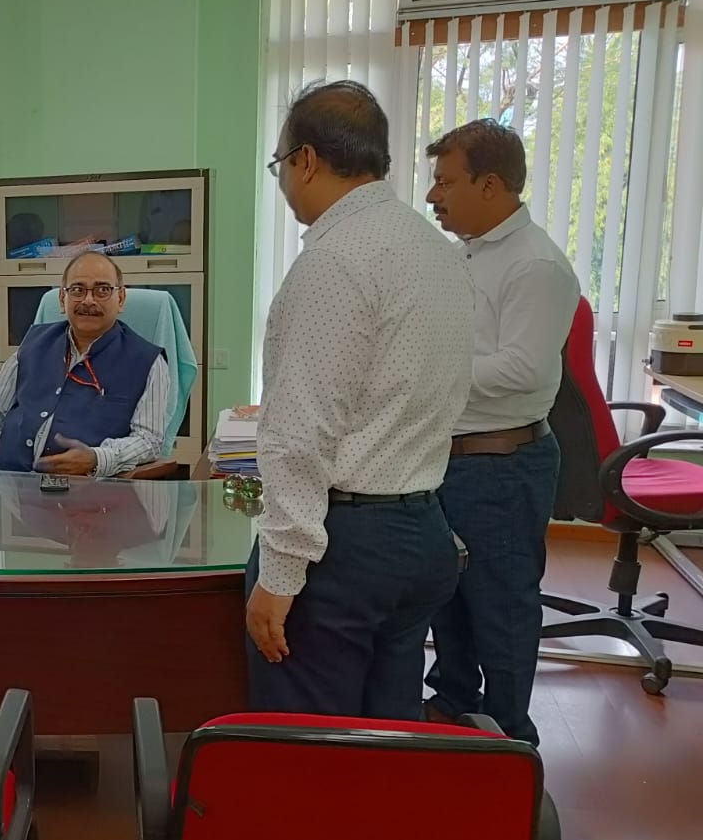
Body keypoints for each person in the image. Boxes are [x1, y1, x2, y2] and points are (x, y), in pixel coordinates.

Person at [248, 80, 474, 719]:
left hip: (343, 549)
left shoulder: (334, 261)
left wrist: (279, 573)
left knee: (307, 741)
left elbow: (300, 434)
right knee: (386, 738)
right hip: (422, 530)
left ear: (306, 160)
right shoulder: (436, 251)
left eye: (280, 163)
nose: (283, 180)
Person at [424, 120, 579, 745]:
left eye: (445, 182)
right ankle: (455, 705)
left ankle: (512, 738)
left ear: (490, 185)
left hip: (500, 464)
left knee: (502, 607)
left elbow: (524, 369)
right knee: (449, 595)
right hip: (447, 457)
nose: (433, 195)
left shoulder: (535, 264)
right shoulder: (466, 253)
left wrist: (421, 372)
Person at [0, 250, 168, 475]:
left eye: (102, 290)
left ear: (121, 299)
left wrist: (98, 458)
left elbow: (149, 440)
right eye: (77, 290)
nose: (88, 300)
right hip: (6, 484)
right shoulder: (32, 345)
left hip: (85, 494)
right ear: (62, 299)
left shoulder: (149, 362)